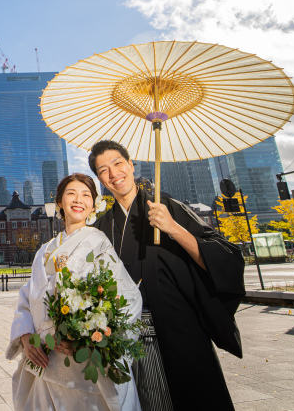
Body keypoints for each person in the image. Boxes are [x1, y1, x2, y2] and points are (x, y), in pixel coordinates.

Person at [88, 140, 245, 410]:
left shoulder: (165, 206)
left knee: (195, 398)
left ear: (131, 165)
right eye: (103, 170)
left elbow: (225, 257)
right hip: (128, 334)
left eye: (118, 164)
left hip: (179, 325)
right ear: (100, 179)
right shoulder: (102, 226)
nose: (114, 174)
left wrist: (173, 228)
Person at [8, 173, 142, 410]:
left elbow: (128, 296)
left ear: (93, 205)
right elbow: (27, 298)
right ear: (60, 201)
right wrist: (27, 338)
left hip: (82, 362)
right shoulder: (44, 250)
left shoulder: (99, 244)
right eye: (71, 194)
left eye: (86, 195)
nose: (78, 200)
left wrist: (90, 339)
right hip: (44, 358)